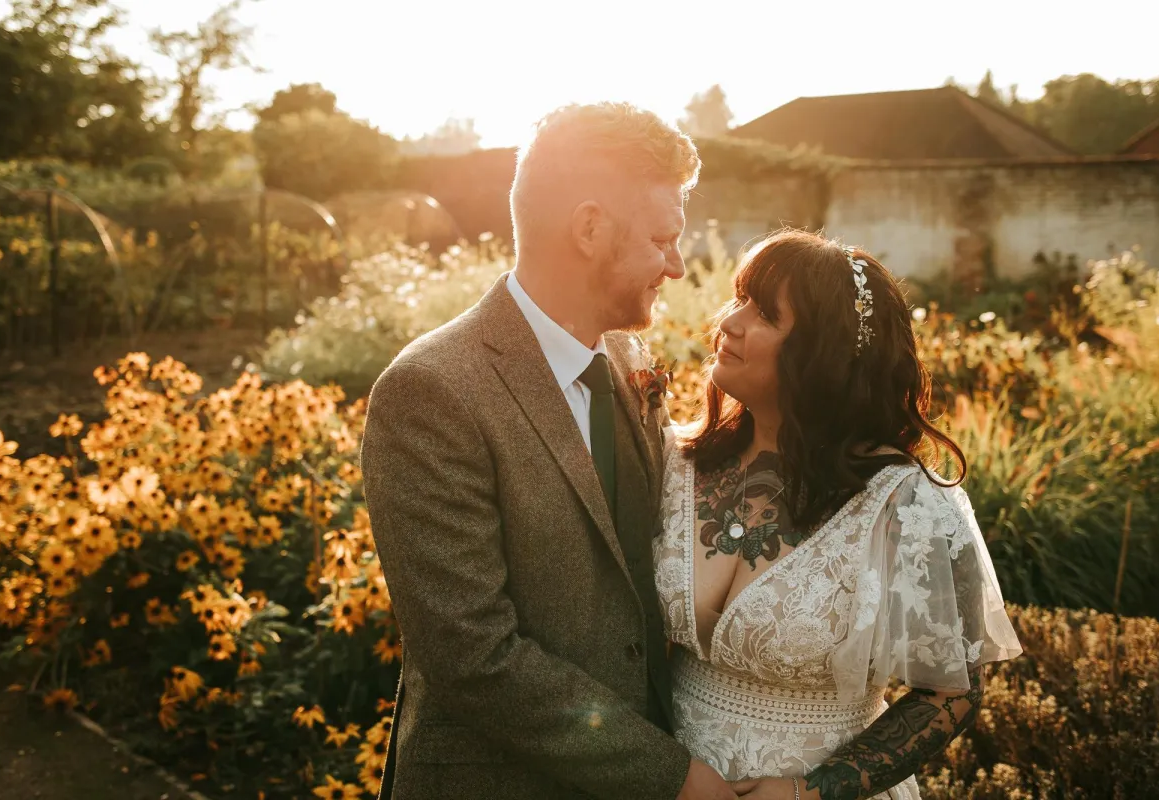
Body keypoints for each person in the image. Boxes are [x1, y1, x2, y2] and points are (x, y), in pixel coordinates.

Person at [362, 102, 737, 799]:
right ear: (590, 228)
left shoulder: (629, 359)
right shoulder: (432, 392)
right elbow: (474, 655)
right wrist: (669, 776)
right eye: (663, 238)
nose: (679, 265)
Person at [653, 229, 1024, 800]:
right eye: (740, 298)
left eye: (766, 314)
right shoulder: (672, 462)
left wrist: (813, 789)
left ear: (822, 355)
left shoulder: (907, 505)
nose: (729, 321)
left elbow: (951, 694)